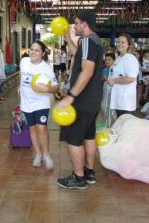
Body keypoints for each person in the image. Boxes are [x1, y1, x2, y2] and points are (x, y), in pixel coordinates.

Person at [56, 10, 103, 189]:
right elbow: (80, 57)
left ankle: (79, 177)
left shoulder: (88, 41)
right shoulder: (95, 42)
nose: (74, 26)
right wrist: (68, 38)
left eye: (76, 23)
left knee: (74, 139)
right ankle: (89, 172)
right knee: (89, 136)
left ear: (84, 24)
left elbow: (87, 71)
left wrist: (71, 96)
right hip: (93, 100)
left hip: (83, 100)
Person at [19, 40, 59, 170]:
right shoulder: (24, 62)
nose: (33, 52)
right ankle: (38, 154)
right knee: (32, 129)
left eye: (37, 50)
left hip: (41, 102)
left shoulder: (46, 68)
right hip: (26, 103)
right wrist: (20, 86)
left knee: (41, 128)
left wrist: (46, 89)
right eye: (31, 49)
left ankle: (46, 155)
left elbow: (56, 87)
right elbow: (21, 74)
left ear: (42, 54)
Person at [108, 33, 139, 117]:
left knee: (125, 127)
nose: (119, 44)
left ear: (128, 44)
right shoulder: (119, 57)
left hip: (125, 102)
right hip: (118, 100)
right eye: (118, 42)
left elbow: (131, 78)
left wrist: (114, 81)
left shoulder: (130, 58)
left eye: (123, 42)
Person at [101, 53, 115, 126]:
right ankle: (105, 124)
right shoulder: (104, 70)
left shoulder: (115, 69)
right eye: (106, 60)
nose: (107, 61)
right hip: (105, 90)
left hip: (112, 91)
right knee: (104, 107)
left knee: (111, 108)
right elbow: (102, 79)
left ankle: (111, 125)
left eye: (109, 60)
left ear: (114, 60)